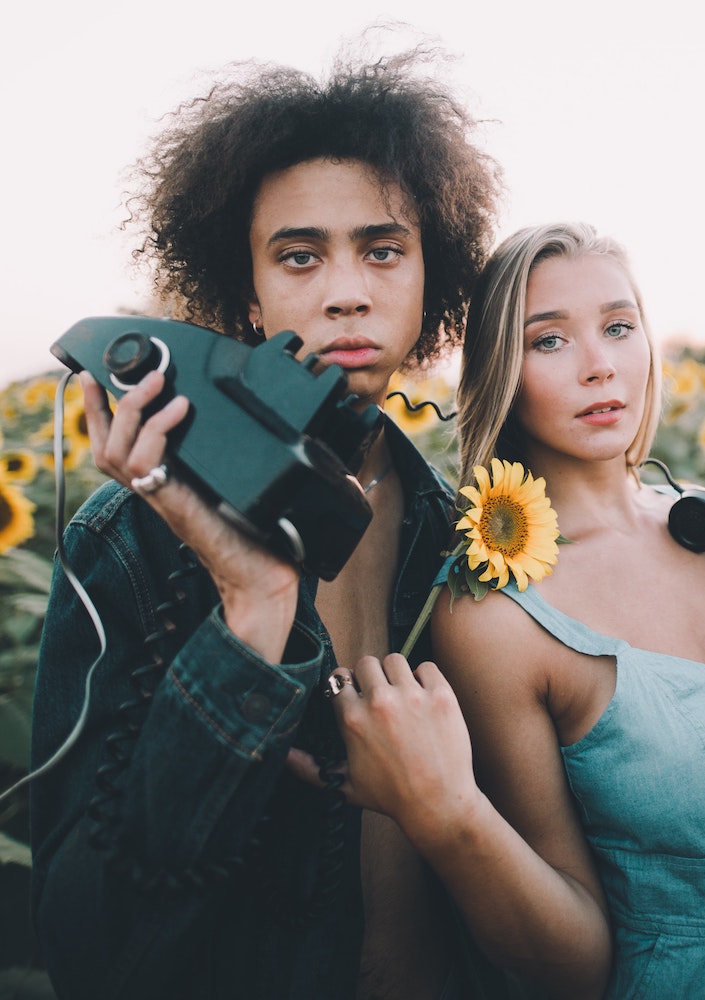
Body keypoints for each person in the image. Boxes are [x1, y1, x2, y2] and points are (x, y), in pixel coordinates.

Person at [29, 43, 506, 1000]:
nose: (344, 291)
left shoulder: (477, 527)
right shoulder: (124, 541)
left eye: (382, 250)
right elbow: (90, 941)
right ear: (245, 295)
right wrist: (250, 604)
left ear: (430, 275)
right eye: (299, 255)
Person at [323, 222, 705, 999]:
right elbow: (572, 962)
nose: (601, 366)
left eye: (619, 327)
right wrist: (447, 811)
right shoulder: (495, 617)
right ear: (501, 371)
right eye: (550, 341)